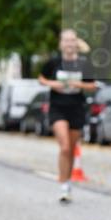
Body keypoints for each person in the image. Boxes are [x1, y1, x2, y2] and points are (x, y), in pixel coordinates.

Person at [38, 29, 98, 203]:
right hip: (58, 108)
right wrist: (54, 84)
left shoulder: (84, 64)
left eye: (72, 40)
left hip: (76, 108)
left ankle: (68, 183)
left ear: (76, 44)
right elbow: (41, 79)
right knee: (64, 147)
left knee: (71, 149)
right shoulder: (54, 62)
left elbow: (93, 85)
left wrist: (77, 84)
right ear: (61, 44)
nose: (69, 44)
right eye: (66, 40)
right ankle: (63, 184)